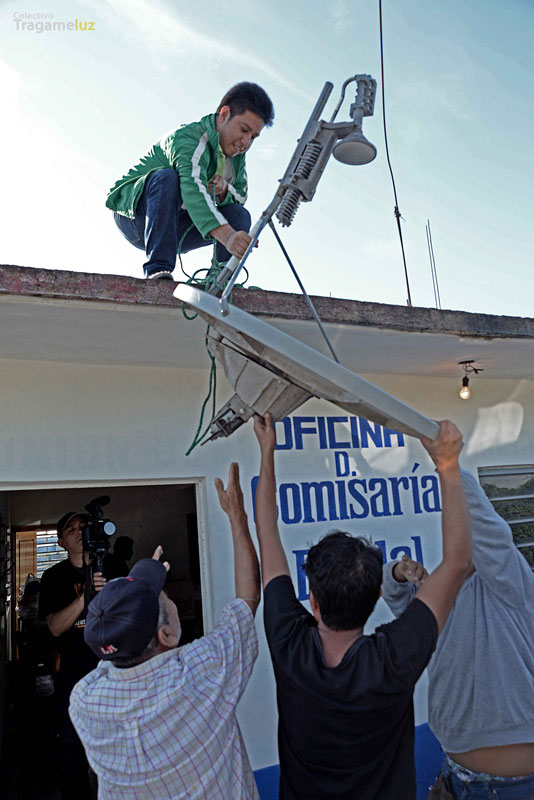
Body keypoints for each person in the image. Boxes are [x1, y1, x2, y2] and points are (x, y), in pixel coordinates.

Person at [252, 412, 472, 800]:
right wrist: (448, 465)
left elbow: (266, 533)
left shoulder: (288, 641)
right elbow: (457, 561)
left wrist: (266, 452)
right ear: (374, 599)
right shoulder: (393, 658)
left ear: (313, 601)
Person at [69, 462, 261, 800]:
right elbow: (247, 598)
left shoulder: (85, 701)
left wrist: (139, 587)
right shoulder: (204, 673)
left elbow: (118, 642)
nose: (167, 596)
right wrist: (236, 517)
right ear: (167, 636)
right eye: (165, 597)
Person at [382, 470, 534, 799]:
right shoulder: (439, 597)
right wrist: (398, 570)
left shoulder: (511, 582)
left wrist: (448, 467)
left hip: (514, 788)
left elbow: (489, 532)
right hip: (454, 779)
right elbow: (390, 591)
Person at [107, 81, 274, 280]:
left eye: (253, 137)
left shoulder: (237, 158)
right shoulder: (188, 139)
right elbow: (192, 189)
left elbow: (240, 196)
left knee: (239, 215)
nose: (246, 142)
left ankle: (220, 281)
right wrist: (228, 236)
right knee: (168, 178)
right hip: (135, 219)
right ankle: (158, 270)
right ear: (224, 114)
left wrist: (224, 191)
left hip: (177, 226)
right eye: (244, 130)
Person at [39, 511, 106, 800]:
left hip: (114, 666)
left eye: (84, 527)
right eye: (71, 530)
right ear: (61, 542)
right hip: (75, 671)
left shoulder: (111, 565)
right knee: (72, 742)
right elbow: (54, 627)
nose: (79, 532)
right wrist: (85, 594)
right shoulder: (54, 577)